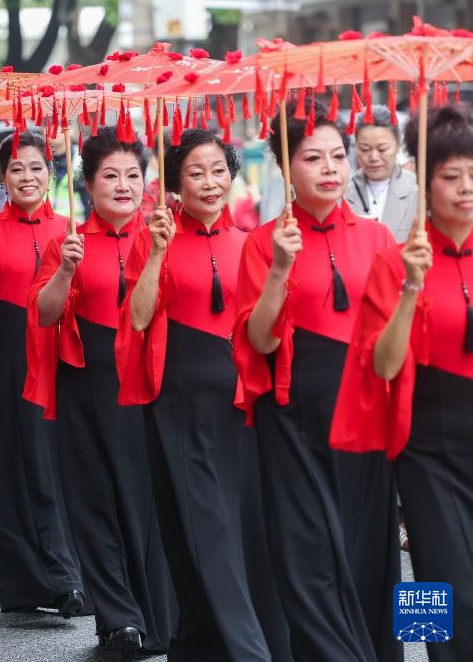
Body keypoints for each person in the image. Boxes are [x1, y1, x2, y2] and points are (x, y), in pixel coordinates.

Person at [233, 99, 401, 662]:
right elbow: (259, 341)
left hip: (367, 412)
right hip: (295, 417)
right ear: (285, 165)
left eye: (338, 156)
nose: (331, 168)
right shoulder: (261, 243)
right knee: (309, 555)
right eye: (313, 158)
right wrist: (280, 268)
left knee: (372, 553)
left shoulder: (380, 238)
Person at [118, 128, 275, 660]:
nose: (210, 182)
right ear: (175, 182)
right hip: (179, 401)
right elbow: (138, 317)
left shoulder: (253, 240)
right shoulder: (150, 237)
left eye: (218, 170)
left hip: (243, 404)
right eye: (195, 172)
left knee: (242, 526)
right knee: (205, 525)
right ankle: (245, 649)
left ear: (232, 174)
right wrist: (158, 253)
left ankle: (205, 641)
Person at [331, 103, 473, 662]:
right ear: (426, 183)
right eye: (451, 176)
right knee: (442, 581)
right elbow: (384, 367)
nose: (465, 189)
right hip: (426, 445)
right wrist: (412, 289)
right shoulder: (396, 261)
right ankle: (433, 656)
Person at [26, 127, 174, 656]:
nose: (124, 185)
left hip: (150, 381)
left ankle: (159, 614)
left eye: (133, 175)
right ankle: (118, 618)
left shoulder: (161, 234)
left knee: (148, 500)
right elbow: (43, 314)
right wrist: (64, 269)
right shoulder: (66, 242)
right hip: (88, 382)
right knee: (94, 503)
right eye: (110, 176)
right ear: (88, 185)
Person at [0, 131, 84, 615]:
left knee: (58, 464)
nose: (28, 177)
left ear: (52, 173)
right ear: (1, 179)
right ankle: (30, 581)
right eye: (17, 169)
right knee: (15, 463)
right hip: (10, 352)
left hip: (61, 352)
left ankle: (72, 575)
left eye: (37, 167)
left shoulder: (71, 227)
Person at [344, 105, 418, 242]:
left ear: (398, 145)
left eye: (382, 149)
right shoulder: (343, 192)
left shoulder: (417, 190)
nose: (374, 157)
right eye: (365, 149)